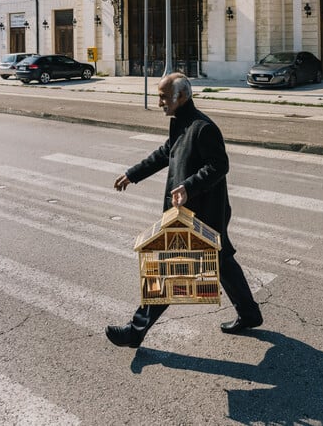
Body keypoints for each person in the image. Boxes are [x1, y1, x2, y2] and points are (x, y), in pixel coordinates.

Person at [106, 72, 263, 348]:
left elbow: (218, 166)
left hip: (201, 214)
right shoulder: (182, 124)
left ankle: (135, 331)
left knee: (166, 271)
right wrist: (133, 174)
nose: (159, 103)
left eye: (163, 97)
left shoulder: (203, 128)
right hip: (191, 211)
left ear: (181, 96)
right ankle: (249, 314)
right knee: (222, 261)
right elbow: (166, 153)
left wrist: (189, 186)